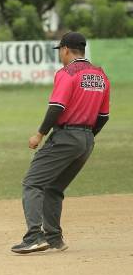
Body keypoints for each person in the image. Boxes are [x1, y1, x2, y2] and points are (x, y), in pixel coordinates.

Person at [11, 32, 110, 254]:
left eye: (61, 51)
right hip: (86, 140)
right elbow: (103, 116)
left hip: (66, 136)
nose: (60, 56)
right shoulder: (101, 75)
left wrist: (39, 134)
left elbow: (57, 107)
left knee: (33, 183)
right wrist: (86, 136)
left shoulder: (67, 73)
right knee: (54, 187)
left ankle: (35, 236)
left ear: (65, 49)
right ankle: (54, 239)